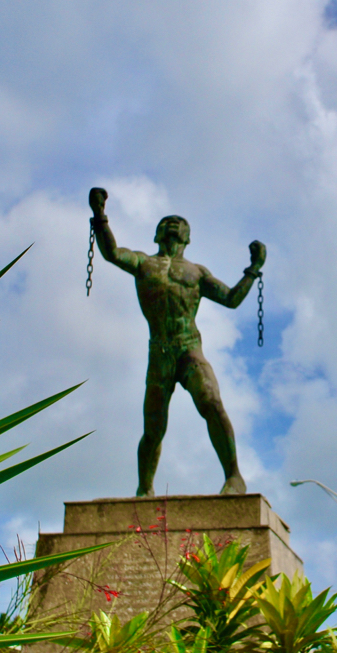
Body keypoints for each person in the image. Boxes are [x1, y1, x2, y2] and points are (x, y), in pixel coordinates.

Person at [88, 187, 266, 497]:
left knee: (211, 403)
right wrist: (100, 216)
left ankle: (234, 477)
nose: (173, 222)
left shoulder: (196, 272)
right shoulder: (143, 263)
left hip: (188, 348)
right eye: (167, 221)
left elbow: (231, 299)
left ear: (187, 237)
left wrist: (253, 269)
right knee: (154, 429)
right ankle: (145, 488)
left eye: (179, 222)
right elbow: (112, 253)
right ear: (157, 234)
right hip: (158, 351)